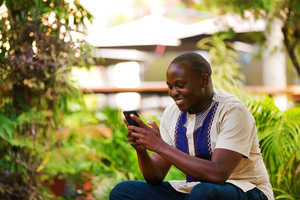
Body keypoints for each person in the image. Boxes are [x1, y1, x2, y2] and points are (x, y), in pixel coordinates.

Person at [109, 52, 274, 200]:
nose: (173, 92)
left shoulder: (232, 111)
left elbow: (218, 174)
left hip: (248, 191)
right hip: (196, 191)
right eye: (170, 87)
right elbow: (156, 175)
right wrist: (142, 149)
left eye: (180, 85)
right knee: (123, 191)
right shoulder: (172, 113)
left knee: (204, 192)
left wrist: (159, 145)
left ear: (203, 80)